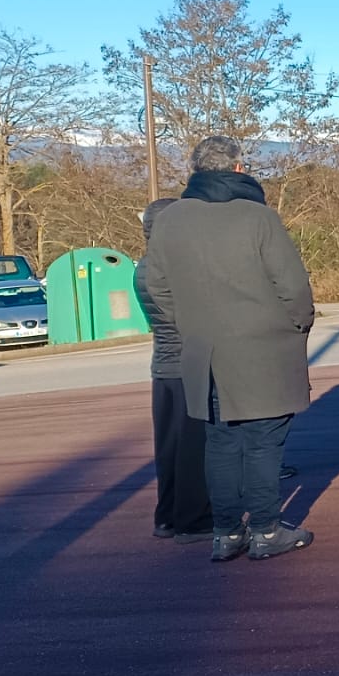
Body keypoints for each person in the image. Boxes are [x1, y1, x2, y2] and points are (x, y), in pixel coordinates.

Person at [137, 135, 316, 561]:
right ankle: (267, 529)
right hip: (264, 346)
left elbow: (156, 285)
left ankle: (227, 532)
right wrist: (297, 325)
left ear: (195, 169)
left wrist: (191, 326)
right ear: (238, 168)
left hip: (204, 351)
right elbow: (293, 287)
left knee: (220, 443)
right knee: (263, 440)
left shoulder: (170, 220)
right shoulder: (258, 217)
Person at [135, 198, 210, 543]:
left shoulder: (144, 266)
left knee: (168, 447)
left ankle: (166, 516)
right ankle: (193, 520)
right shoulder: (173, 268)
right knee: (193, 447)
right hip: (186, 364)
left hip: (163, 365)